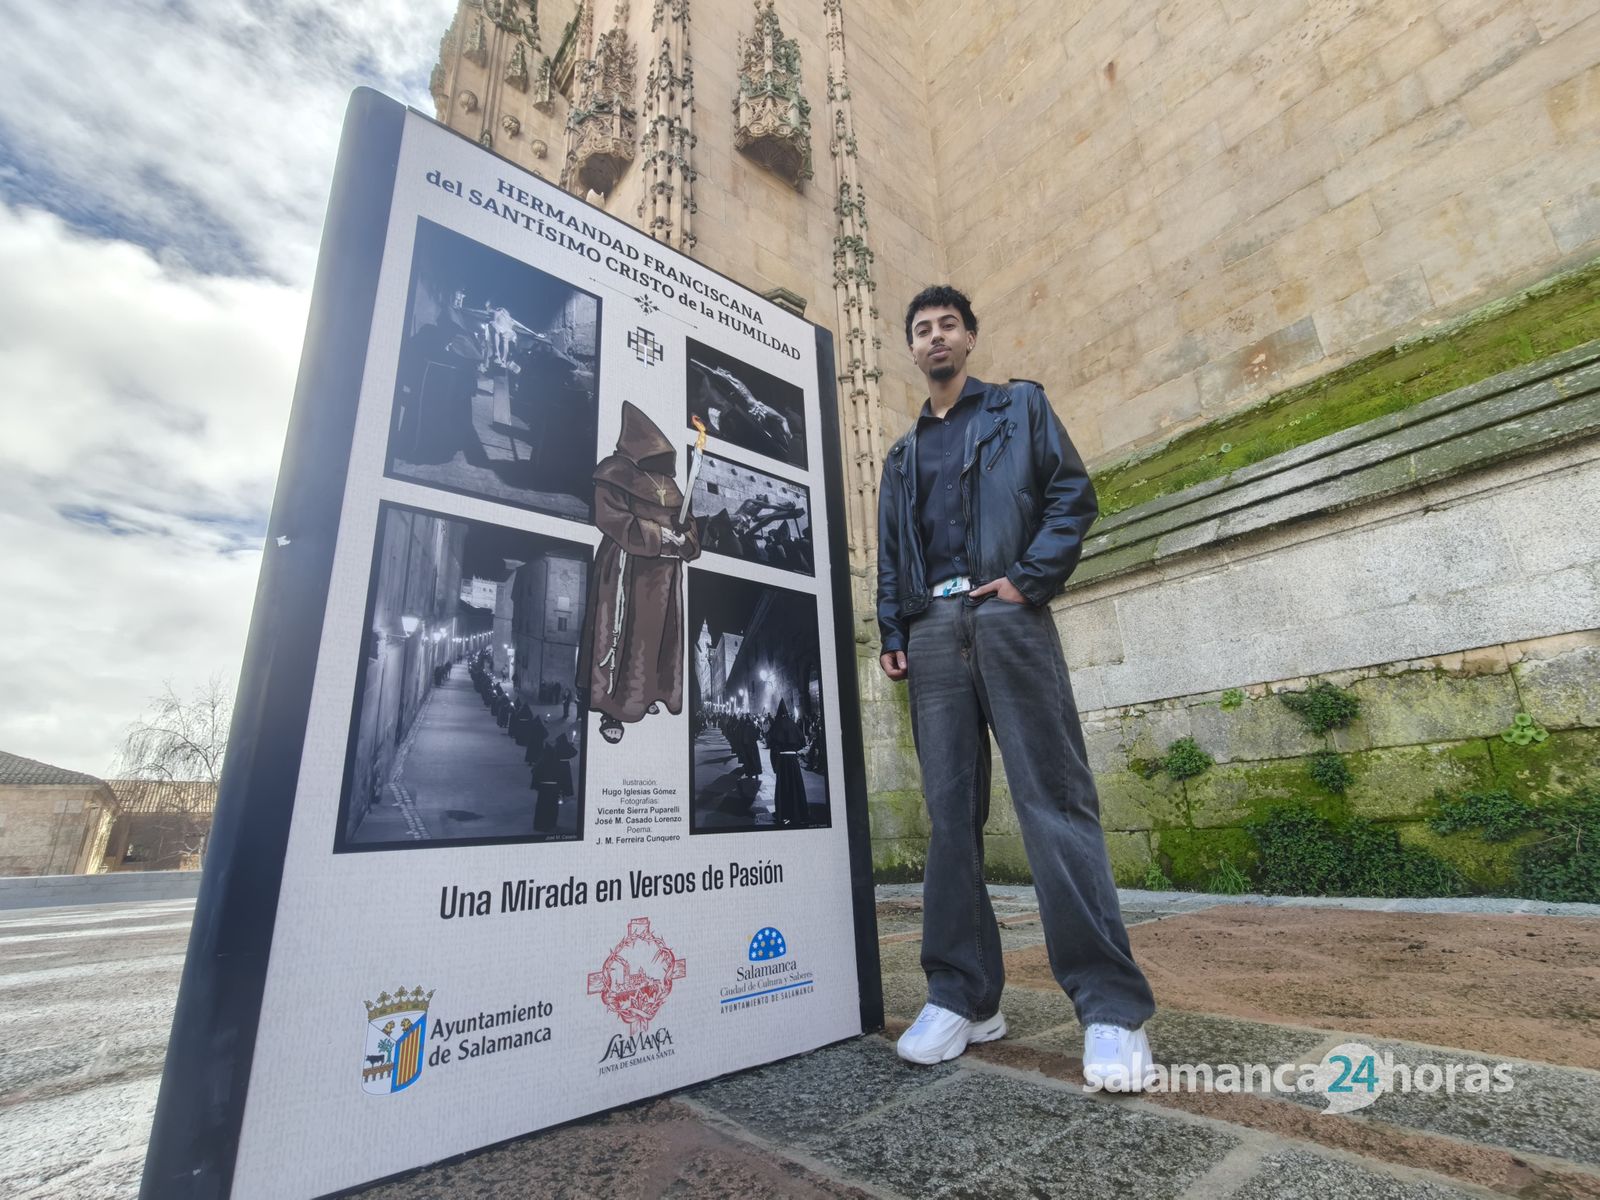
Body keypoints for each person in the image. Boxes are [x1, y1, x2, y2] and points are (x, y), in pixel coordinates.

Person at [877, 285, 1157, 1090]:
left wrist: (1028, 581)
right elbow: (893, 554)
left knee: (1053, 802)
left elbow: (1073, 495)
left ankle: (1111, 1007)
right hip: (932, 632)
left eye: (947, 326)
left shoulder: (1019, 410)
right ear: (911, 347)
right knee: (948, 818)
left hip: (1006, 617)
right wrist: (894, 630)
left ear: (969, 339)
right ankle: (963, 995)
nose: (935, 338)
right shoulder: (899, 456)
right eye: (922, 328)